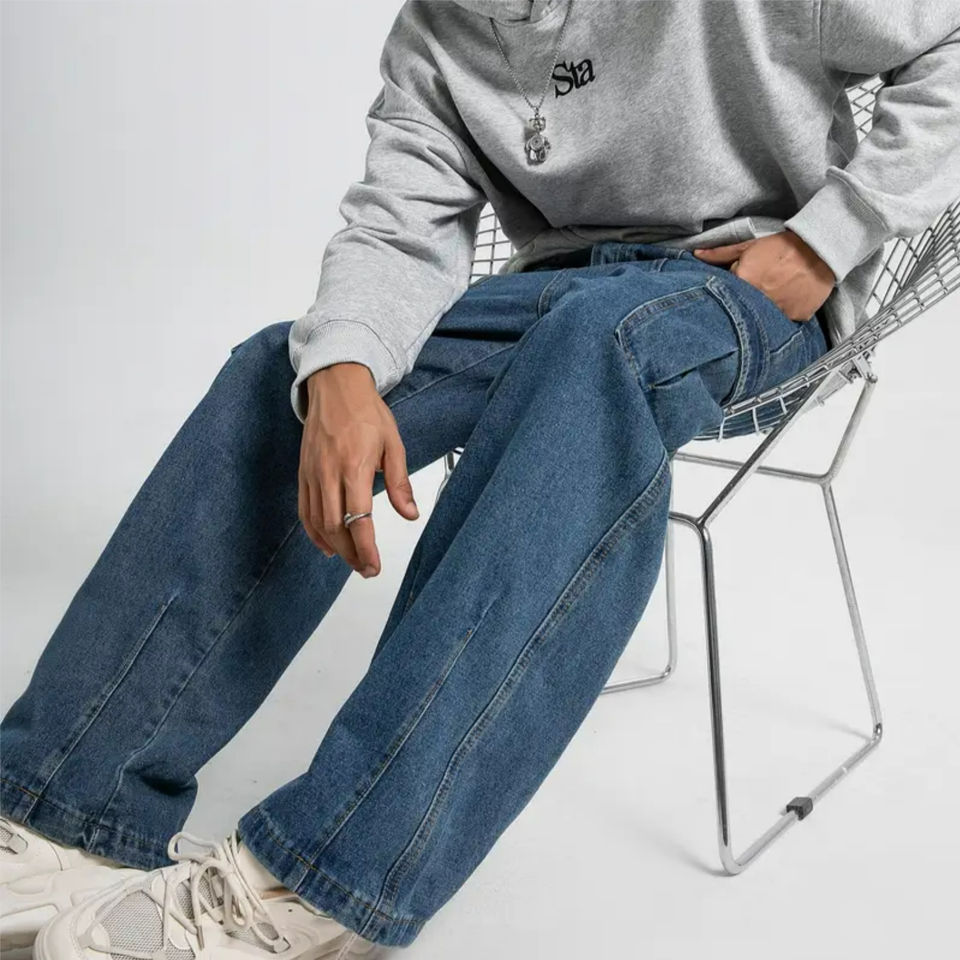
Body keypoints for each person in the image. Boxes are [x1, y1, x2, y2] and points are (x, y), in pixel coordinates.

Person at [2, 1, 959, 957]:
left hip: (743, 292)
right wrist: (342, 366)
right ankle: (57, 804)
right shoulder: (440, 33)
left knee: (597, 354)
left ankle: (333, 878)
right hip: (559, 290)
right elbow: (399, 226)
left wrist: (828, 236)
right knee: (283, 374)